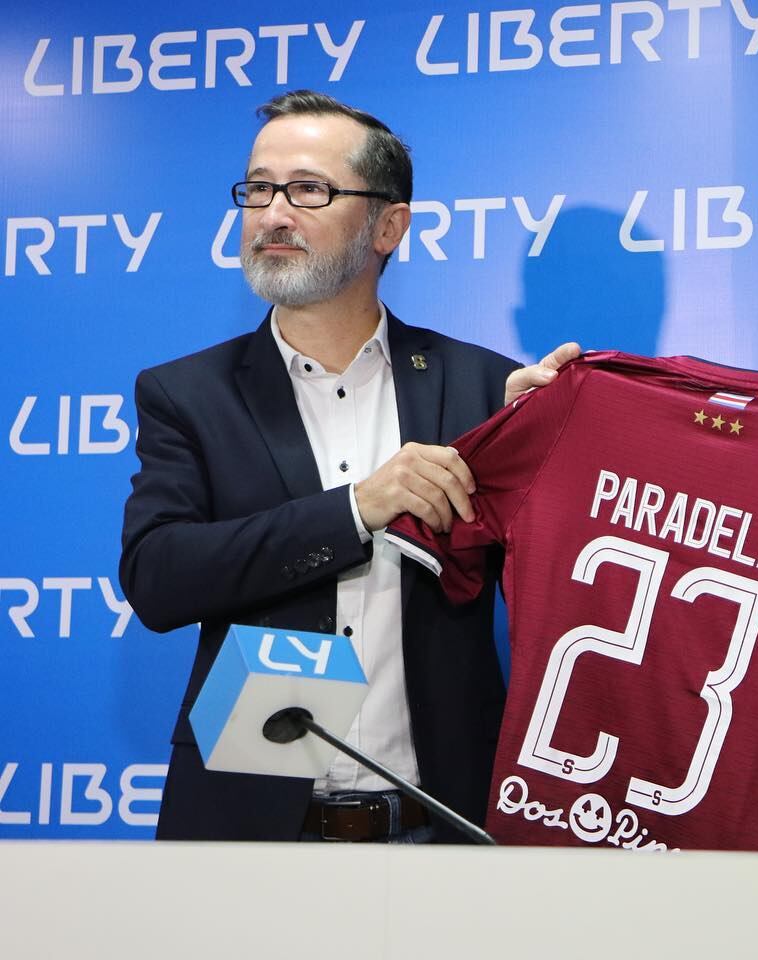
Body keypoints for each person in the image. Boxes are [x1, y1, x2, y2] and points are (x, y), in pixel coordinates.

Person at [119, 89, 578, 843]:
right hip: (251, 835)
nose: (272, 213)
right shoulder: (187, 393)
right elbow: (158, 577)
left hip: (444, 830)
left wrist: (561, 442)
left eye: (308, 190)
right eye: (258, 188)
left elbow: (589, 568)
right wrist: (356, 509)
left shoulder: (482, 389)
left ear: (388, 225)